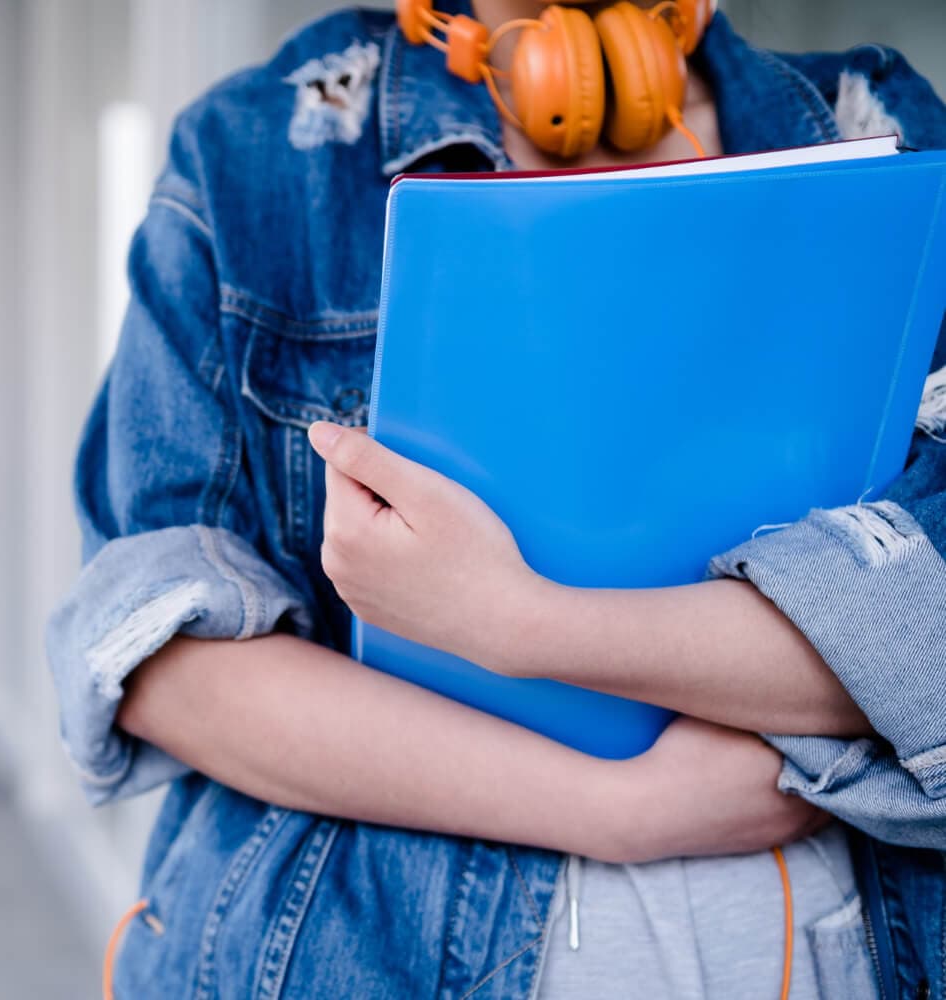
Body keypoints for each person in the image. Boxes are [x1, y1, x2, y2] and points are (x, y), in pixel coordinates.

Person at [48, 2, 946, 997]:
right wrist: (617, 807)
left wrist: (517, 621)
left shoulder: (873, 127)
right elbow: (164, 660)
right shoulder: (260, 154)